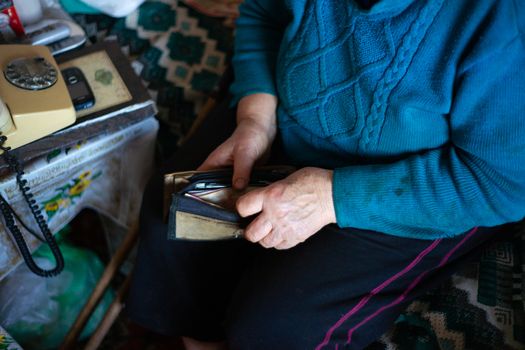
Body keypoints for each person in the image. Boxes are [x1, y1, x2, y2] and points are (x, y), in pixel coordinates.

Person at [126, 0, 525, 349]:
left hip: (416, 183)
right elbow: (264, 13)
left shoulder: (500, 20)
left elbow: (501, 182)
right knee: (172, 216)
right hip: (287, 118)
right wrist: (255, 118)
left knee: (276, 326)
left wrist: (330, 198)